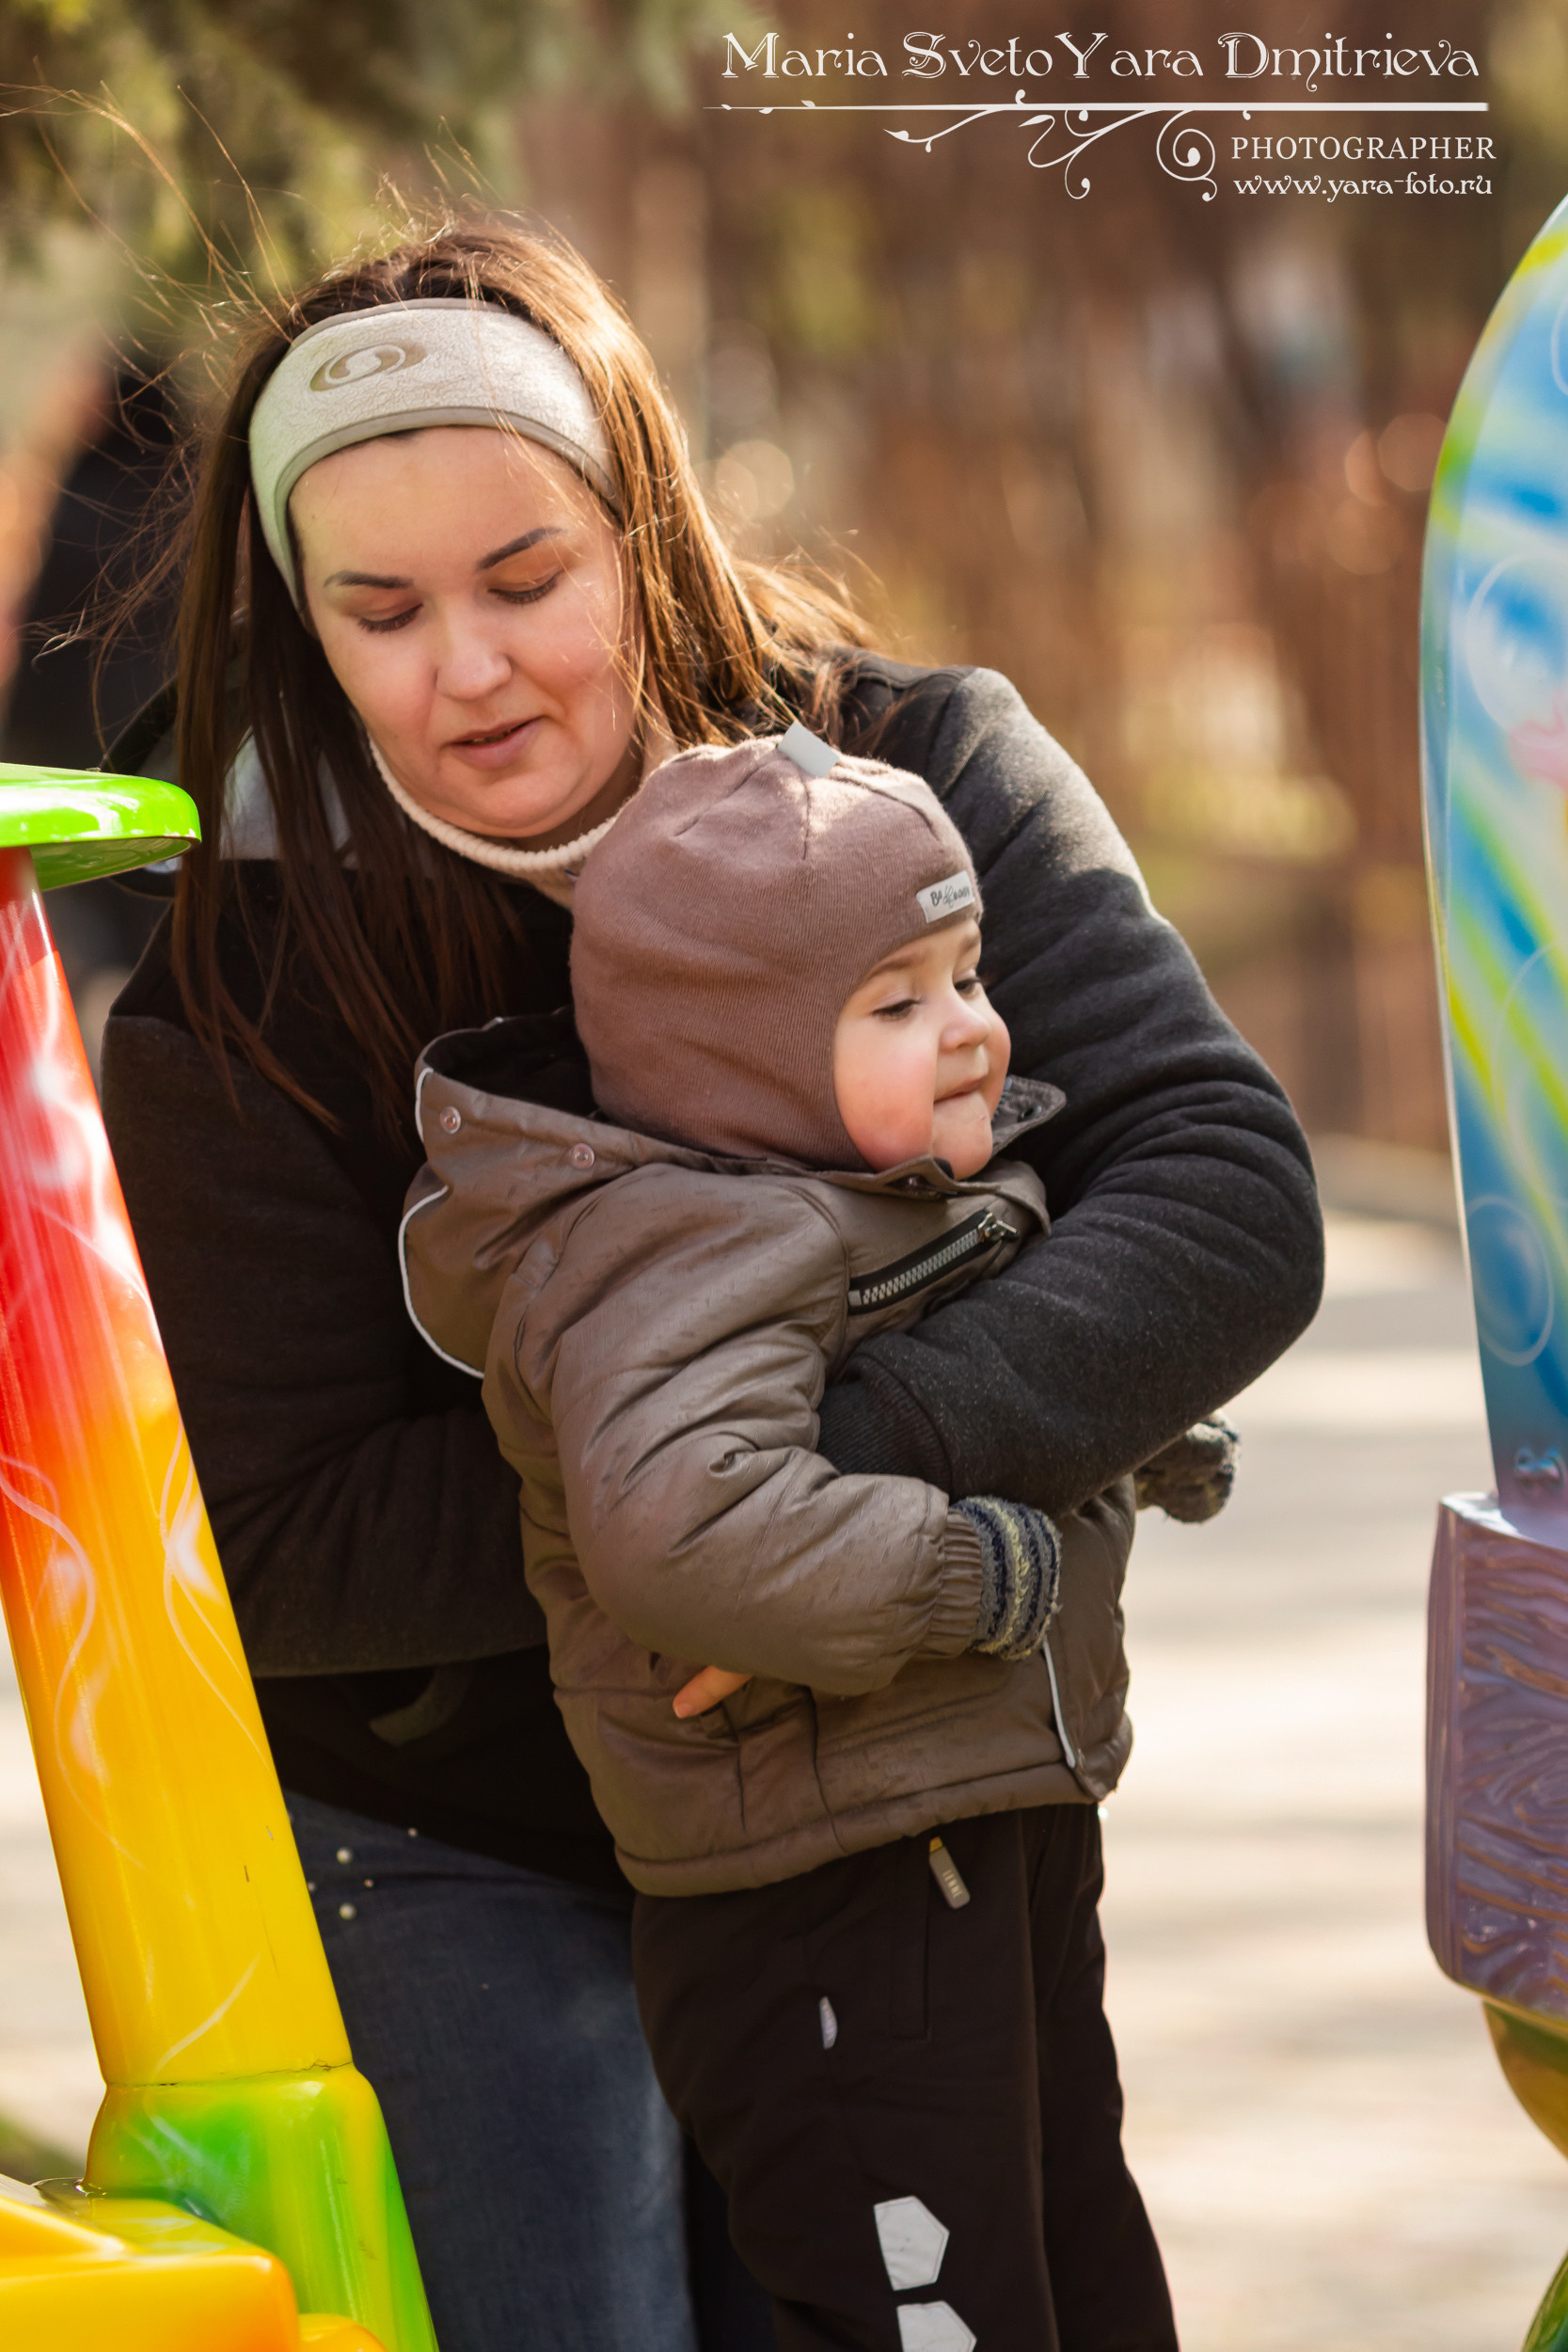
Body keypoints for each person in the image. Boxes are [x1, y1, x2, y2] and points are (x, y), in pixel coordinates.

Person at [98, 213, 1323, 2352]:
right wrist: (667, 1535)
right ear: (300, 621)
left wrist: (800, 1487)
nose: (465, 670)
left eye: (525, 581)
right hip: (461, 1838)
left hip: (881, 1783)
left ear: (641, 531)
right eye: (376, 613)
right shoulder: (251, 972)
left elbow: (1220, 1195)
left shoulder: (919, 780)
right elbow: (270, 1540)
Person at [400, 726, 1168, 2348]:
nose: (967, 1031)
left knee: (1083, 2270)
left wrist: (1138, 1436)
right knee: (939, 2311)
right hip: (827, 1885)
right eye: (897, 1001)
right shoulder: (680, 1247)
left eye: (966, 974)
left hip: (964, 1833)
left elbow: (947, 1375)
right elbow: (687, 1522)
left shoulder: (873, 1195)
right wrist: (977, 1570)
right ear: (733, 1059)